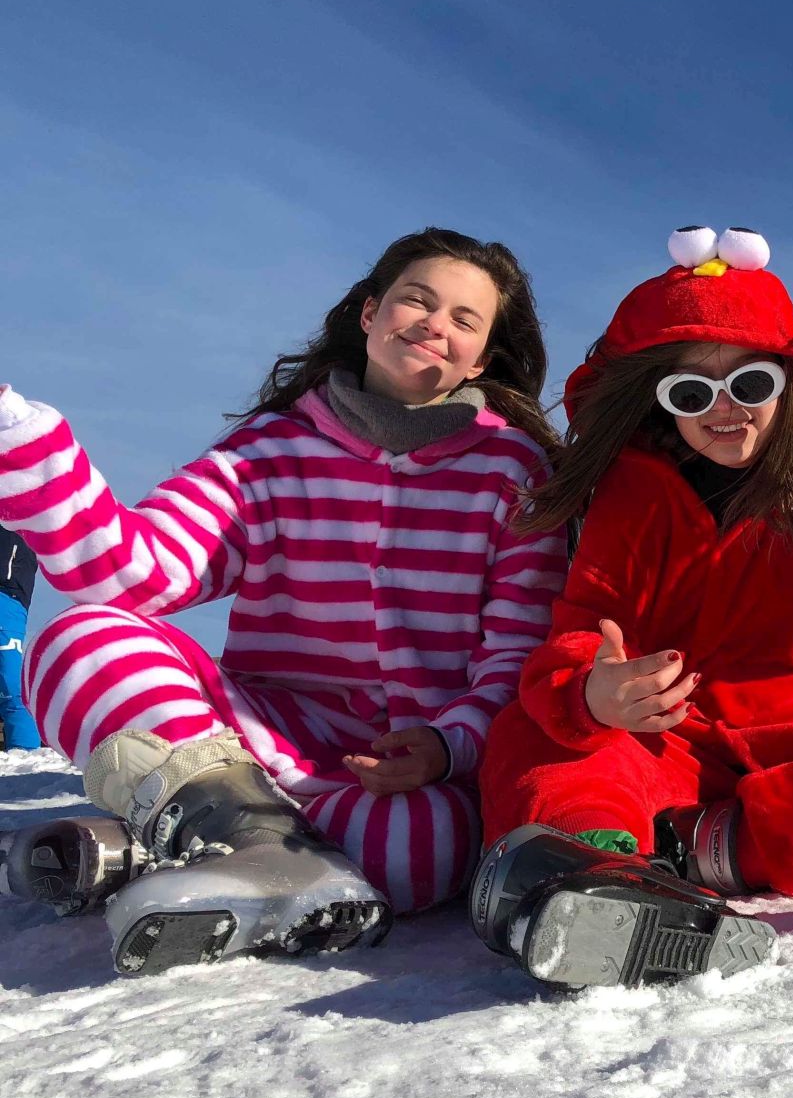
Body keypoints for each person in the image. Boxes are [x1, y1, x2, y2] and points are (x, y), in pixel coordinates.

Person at [0, 227, 567, 975]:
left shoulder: (515, 472)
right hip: (254, 746)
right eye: (417, 300)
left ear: (482, 359)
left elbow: (517, 655)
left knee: (422, 844)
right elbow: (134, 571)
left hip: (409, 777)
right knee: (81, 642)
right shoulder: (270, 450)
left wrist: (446, 746)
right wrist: (22, 441)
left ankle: (155, 855)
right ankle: (254, 843)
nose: (435, 324)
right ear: (371, 313)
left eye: (465, 319)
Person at [474, 229, 793, 991]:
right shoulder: (632, 491)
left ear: (788, 381)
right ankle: (598, 868)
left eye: (750, 383)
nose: (724, 410)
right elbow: (582, 624)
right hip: (666, 738)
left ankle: (679, 857)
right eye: (690, 393)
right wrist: (593, 690)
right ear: (660, 399)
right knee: (533, 730)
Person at [0, 528, 40, 750]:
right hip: (10, 599)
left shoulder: (18, 530)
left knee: (10, 684)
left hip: (8, 598)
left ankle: (25, 752)